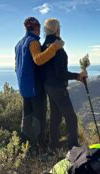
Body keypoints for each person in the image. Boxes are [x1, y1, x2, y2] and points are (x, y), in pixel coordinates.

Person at [15, 17, 64, 148]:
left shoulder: (19, 44)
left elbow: (17, 67)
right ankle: (40, 150)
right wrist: (54, 47)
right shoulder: (33, 42)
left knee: (26, 119)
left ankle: (26, 147)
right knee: (39, 120)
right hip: (35, 88)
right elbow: (38, 59)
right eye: (39, 28)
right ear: (36, 28)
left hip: (24, 88)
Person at [41, 18, 87, 149]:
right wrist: (78, 76)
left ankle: (53, 146)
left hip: (48, 86)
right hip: (57, 87)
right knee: (71, 119)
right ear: (57, 29)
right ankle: (74, 149)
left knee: (55, 117)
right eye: (59, 27)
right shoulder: (58, 49)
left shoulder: (44, 46)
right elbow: (60, 73)